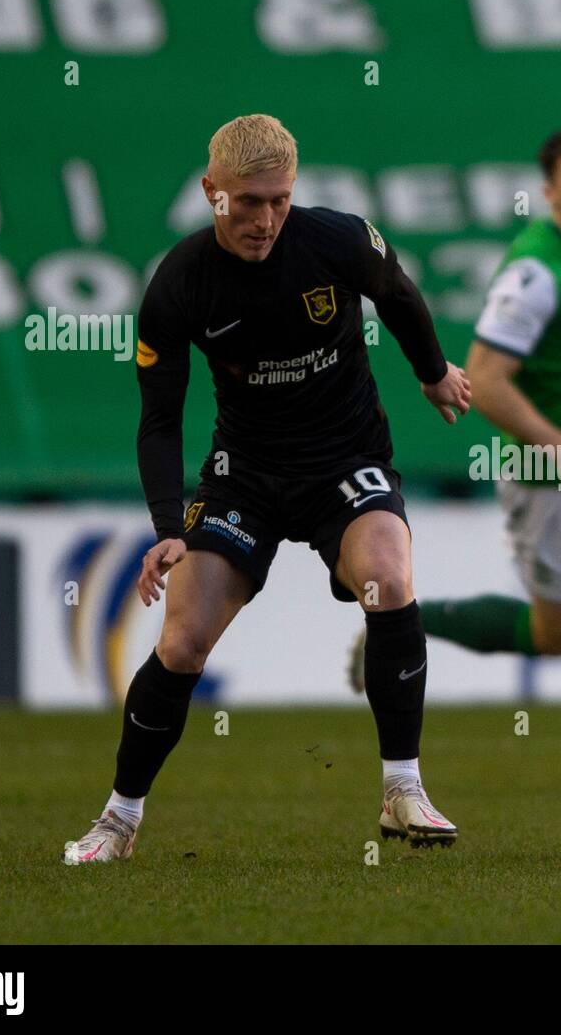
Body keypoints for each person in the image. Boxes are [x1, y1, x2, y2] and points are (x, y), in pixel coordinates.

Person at [63, 114, 471, 864]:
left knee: (388, 578)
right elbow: (159, 421)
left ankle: (402, 788)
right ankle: (118, 821)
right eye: (247, 202)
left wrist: (433, 370)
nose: (264, 219)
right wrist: (167, 528)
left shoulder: (337, 240)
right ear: (210, 191)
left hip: (345, 460)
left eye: (279, 200)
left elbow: (398, 293)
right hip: (243, 476)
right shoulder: (181, 281)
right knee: (182, 642)